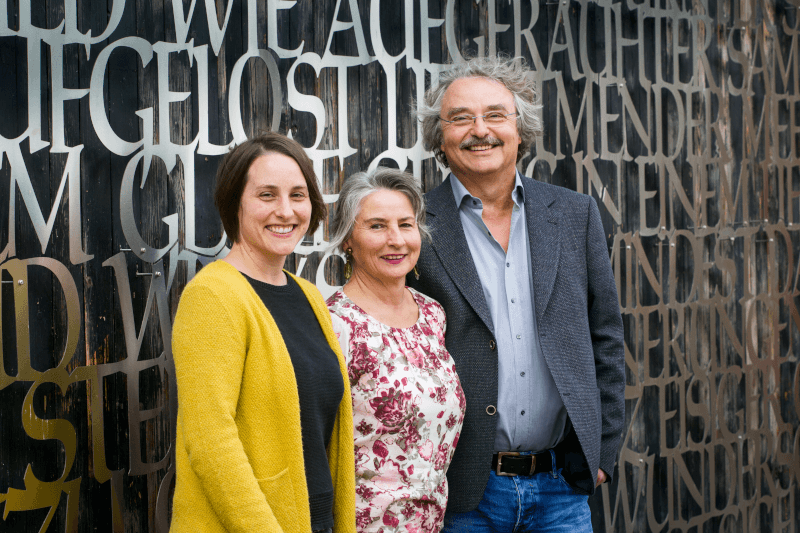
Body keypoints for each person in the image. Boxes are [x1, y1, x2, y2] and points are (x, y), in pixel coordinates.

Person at [409, 56, 625, 532]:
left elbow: (604, 335)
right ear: (439, 138)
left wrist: (603, 450)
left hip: (560, 488)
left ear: (520, 129)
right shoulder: (414, 226)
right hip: (462, 493)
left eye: (495, 115)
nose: (478, 130)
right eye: (460, 117)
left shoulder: (574, 214)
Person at [170, 133, 355, 533]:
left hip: (315, 519)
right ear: (234, 202)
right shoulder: (212, 295)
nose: (286, 211)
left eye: (298, 195)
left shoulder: (307, 295)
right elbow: (210, 443)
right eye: (267, 195)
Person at [326, 167, 466, 532]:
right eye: (376, 226)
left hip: (433, 523)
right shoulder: (334, 324)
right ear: (347, 240)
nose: (396, 239)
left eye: (405, 224)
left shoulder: (433, 314)